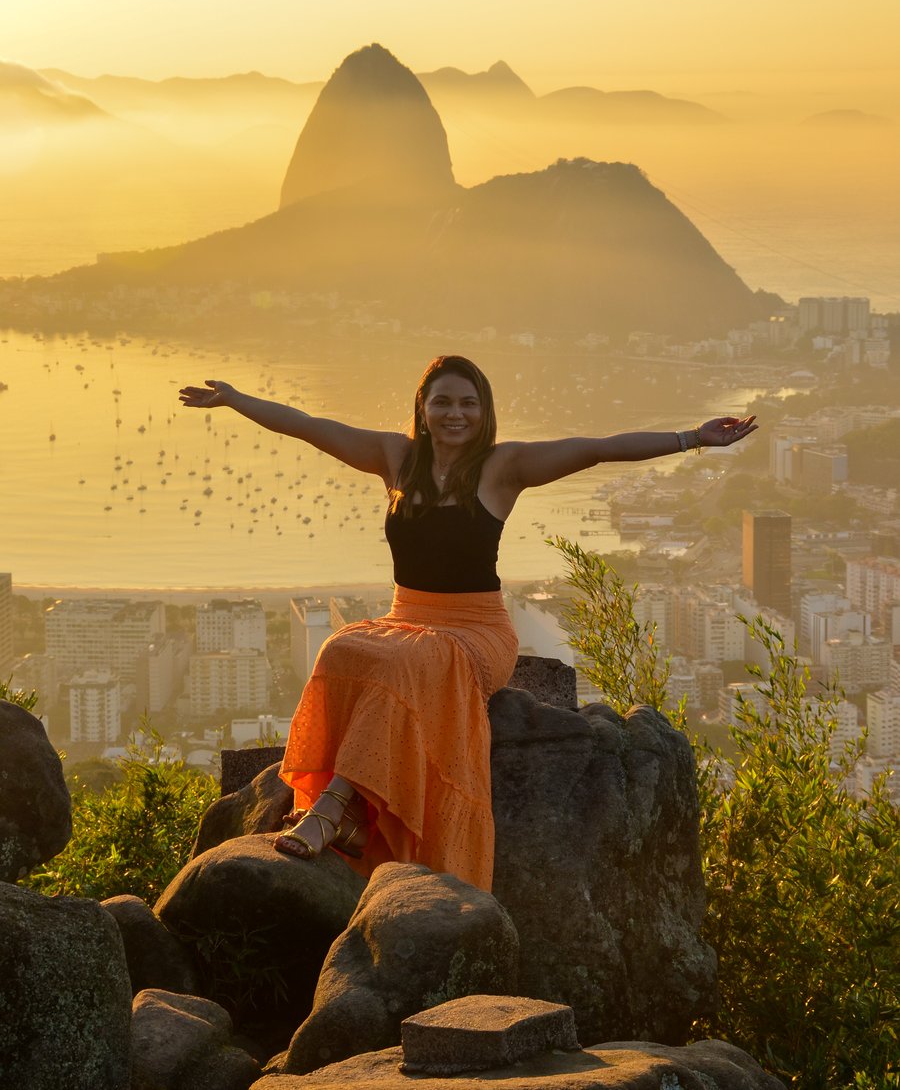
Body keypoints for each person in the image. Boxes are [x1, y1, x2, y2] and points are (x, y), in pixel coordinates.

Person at [179, 354, 755, 890]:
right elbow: (305, 424)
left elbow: (598, 447)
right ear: (423, 410)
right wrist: (236, 400)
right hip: (407, 616)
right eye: (443, 403)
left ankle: (331, 810)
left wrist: (692, 439)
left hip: (475, 631)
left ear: (484, 413)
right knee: (340, 651)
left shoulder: (504, 468)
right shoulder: (396, 458)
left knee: (406, 664)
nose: (456, 414)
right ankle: (354, 813)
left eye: (468, 404)